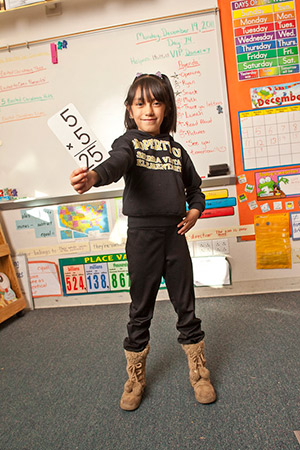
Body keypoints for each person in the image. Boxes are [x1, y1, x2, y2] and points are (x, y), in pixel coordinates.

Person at [69, 72, 216, 411]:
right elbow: (115, 164)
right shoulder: (128, 143)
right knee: (140, 309)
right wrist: (93, 176)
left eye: (156, 102)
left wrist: (194, 211)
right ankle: (135, 376)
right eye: (140, 103)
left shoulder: (177, 151)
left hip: (174, 237)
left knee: (186, 305)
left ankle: (199, 370)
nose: (149, 109)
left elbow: (195, 189)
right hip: (141, 238)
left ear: (167, 108)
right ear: (130, 110)